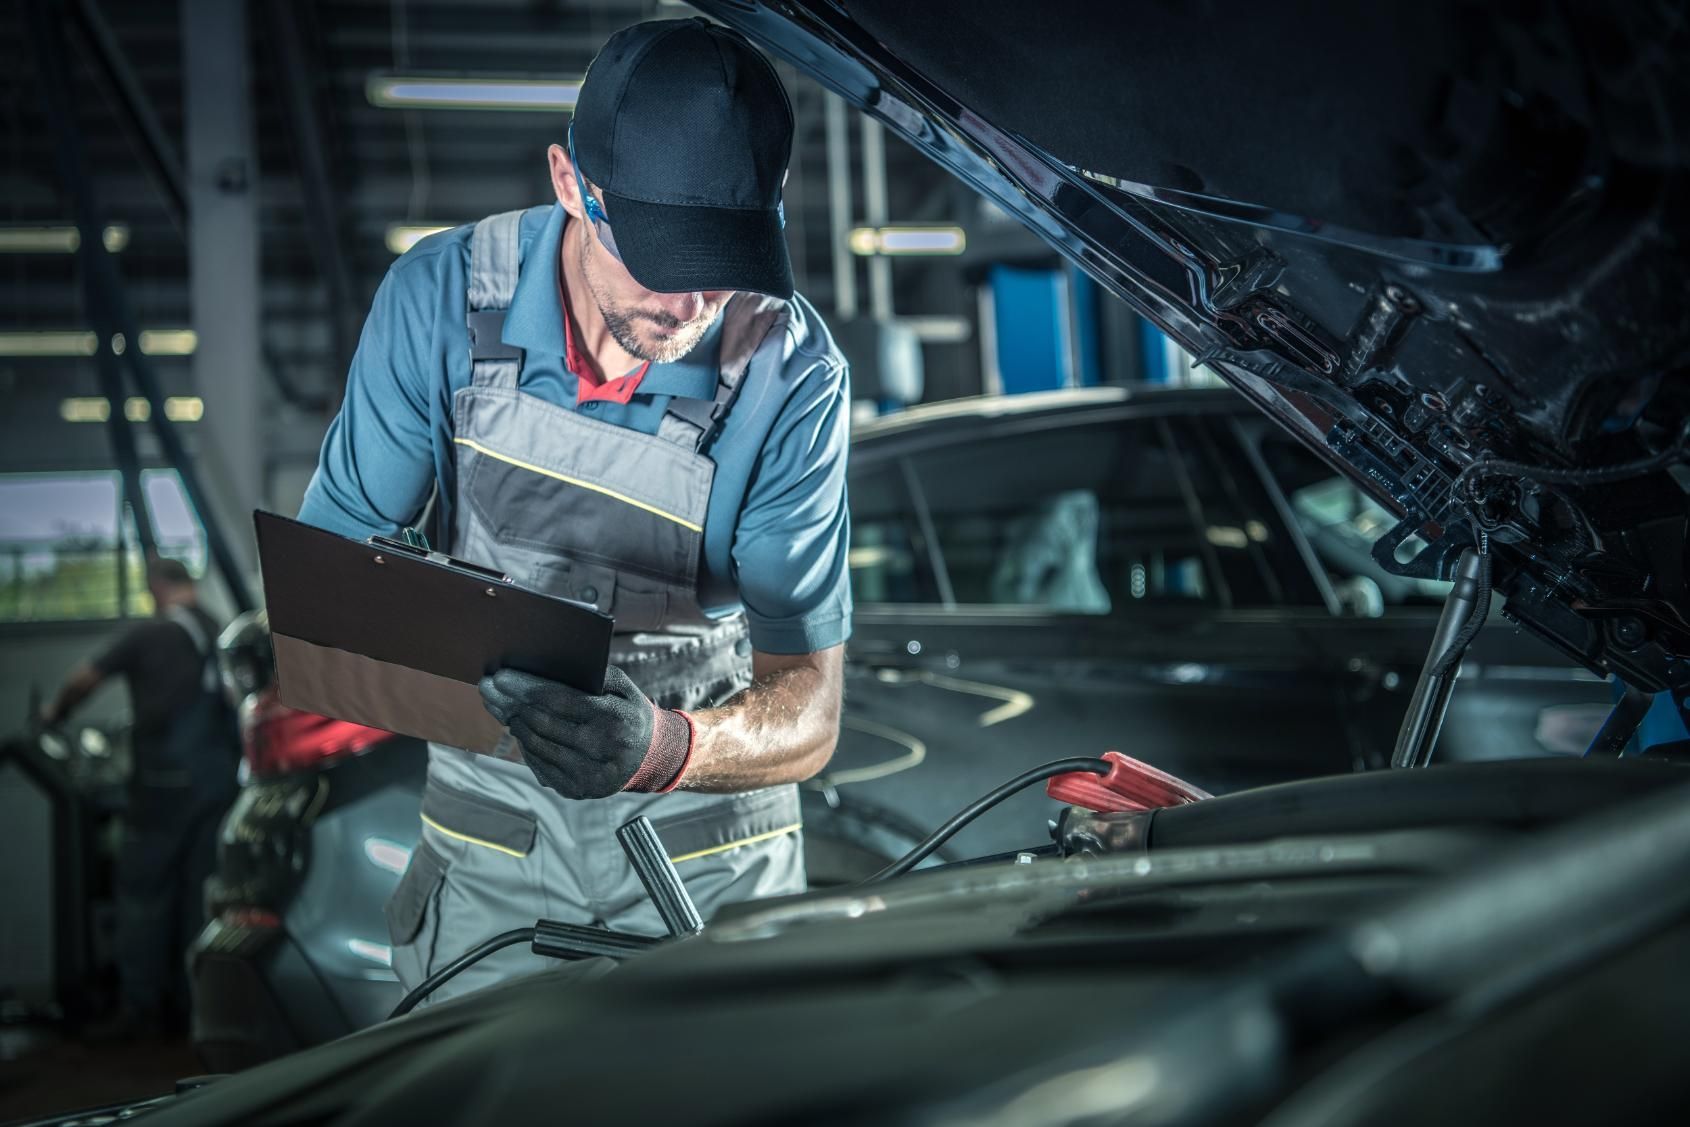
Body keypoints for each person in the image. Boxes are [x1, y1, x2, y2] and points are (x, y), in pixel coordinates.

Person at [298, 17, 850, 1005]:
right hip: (489, 866)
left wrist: (668, 749)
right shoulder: (438, 300)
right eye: (657, 255)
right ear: (569, 183)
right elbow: (332, 597)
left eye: (718, 259)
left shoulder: (789, 372)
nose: (688, 306)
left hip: (711, 869)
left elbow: (809, 710)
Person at [43, 556, 239, 1036]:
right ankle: (194, 1009)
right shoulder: (217, 629)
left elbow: (83, 680)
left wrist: (53, 715)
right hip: (218, 783)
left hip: (163, 787)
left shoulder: (150, 634)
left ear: (156, 585)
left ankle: (140, 1010)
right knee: (199, 898)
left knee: (142, 895)